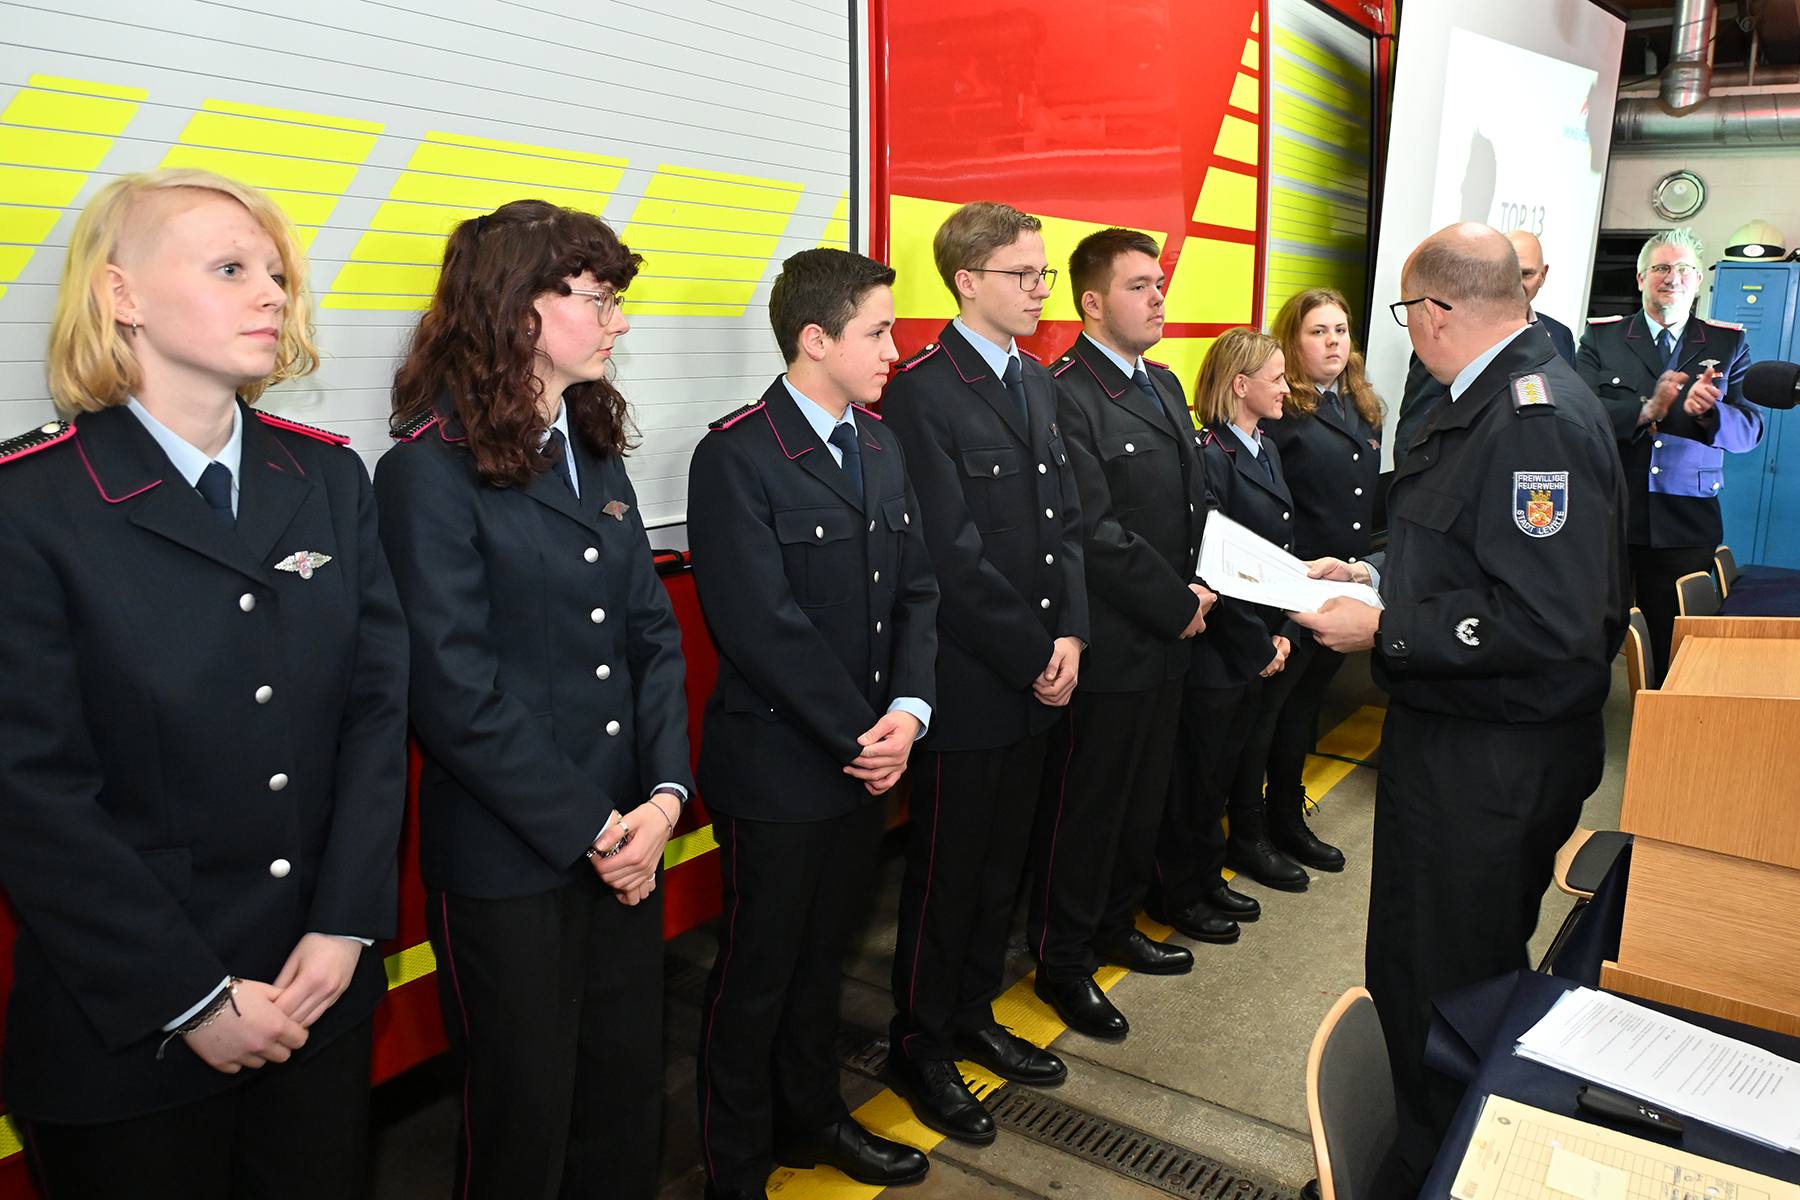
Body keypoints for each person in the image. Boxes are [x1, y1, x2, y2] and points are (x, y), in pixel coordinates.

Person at [0, 168, 408, 1198]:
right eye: (231, 269)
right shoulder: (33, 504)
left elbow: (372, 713)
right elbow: (30, 789)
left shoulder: (326, 478)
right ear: (122, 294)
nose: (272, 293)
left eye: (276, 273)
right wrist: (190, 997)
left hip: (318, 992)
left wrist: (345, 923)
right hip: (131, 1028)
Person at [1290, 223, 1628, 1191]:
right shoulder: (1489, 401)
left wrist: (1384, 630)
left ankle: (1438, 1165)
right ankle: (1422, 1148)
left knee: (1450, 983)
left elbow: (1548, 619)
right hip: (1462, 737)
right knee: (1414, 961)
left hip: (1492, 755)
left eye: (1407, 313)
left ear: (1436, 312)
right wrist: (1371, 572)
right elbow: (1464, 551)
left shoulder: (1532, 423)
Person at [374, 199, 692, 1200]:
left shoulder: (590, 451)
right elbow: (454, 693)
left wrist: (664, 799)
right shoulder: (427, 472)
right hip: (515, 858)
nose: (618, 322)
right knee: (523, 1118)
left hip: (626, 839)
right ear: (519, 310)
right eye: (598, 300)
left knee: (621, 1095)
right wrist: (596, 827)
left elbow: (650, 637)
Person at [687, 248, 938, 1200]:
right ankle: (736, 1165)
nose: (893, 348)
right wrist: (862, 738)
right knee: (758, 975)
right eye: (878, 331)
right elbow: (761, 626)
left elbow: (917, 591)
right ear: (815, 339)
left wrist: (908, 710)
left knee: (824, 961)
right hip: (783, 768)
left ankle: (813, 1117)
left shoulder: (879, 445)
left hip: (868, 758)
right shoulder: (737, 454)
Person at [878, 202, 1086, 1144]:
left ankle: (971, 1013)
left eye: (1044, 274)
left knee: (1003, 865)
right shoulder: (924, 392)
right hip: (971, 679)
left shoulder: (1036, 380)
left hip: (1040, 674)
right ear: (967, 281)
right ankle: (920, 1044)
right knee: (946, 875)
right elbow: (949, 558)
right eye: (1024, 275)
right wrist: (1035, 652)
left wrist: (1070, 635)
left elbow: (1063, 523)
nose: (1041, 290)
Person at [1034, 228, 1267, 1040]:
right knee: (1089, 810)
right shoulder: (1066, 393)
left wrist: (1211, 588)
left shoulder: (1163, 383)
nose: (1159, 297)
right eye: (1139, 286)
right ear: (1092, 302)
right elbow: (1092, 530)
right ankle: (1064, 961)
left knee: (1142, 801)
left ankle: (1116, 924)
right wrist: (1177, 603)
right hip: (1115, 644)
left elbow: (1194, 507)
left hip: (1175, 635)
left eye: (1159, 283)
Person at [1148, 329, 1294, 942]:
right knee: (1195, 781)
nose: (1286, 388)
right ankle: (1177, 893)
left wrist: (1281, 633)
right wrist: (1259, 644)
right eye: (1276, 378)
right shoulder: (1211, 456)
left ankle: (1206, 876)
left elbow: (1277, 555)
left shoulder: (1265, 448)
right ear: (1241, 385)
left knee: (1222, 775)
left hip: (1258, 644)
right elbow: (1218, 567)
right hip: (1223, 649)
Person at [1240, 288, 1387, 888]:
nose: (1333, 342)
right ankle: (1248, 830)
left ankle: (1286, 816)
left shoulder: (1359, 404)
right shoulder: (1283, 410)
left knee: (1304, 706)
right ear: (1292, 342)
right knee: (1267, 711)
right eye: (1317, 331)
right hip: (1289, 586)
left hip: (1341, 585)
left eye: (1341, 331)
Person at [1575, 227, 1759, 683]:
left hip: (1685, 520)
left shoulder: (1727, 343)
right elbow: (1578, 414)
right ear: (1641, 278)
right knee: (1590, 634)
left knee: (1672, 642)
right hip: (1610, 512)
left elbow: (1750, 431)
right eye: (1660, 267)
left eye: (1683, 269)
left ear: (1698, 280)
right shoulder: (1603, 338)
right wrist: (1646, 411)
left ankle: (1663, 717)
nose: (1671, 278)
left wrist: (1710, 415)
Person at [1503, 230, 1577, 367]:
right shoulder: (1465, 329)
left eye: (1526, 274)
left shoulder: (1560, 336)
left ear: (1543, 275)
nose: (1517, 284)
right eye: (1508, 273)